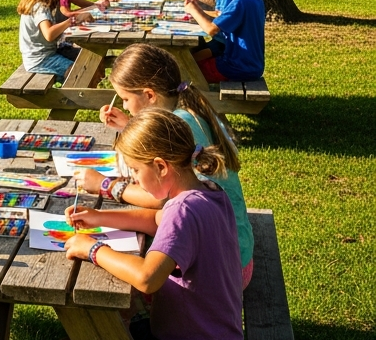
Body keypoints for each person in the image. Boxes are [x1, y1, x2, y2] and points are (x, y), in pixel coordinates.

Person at [48, 109, 243, 340]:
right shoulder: (206, 191)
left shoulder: (184, 209)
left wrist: (93, 249)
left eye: (136, 171)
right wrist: (99, 217)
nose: (135, 180)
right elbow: (154, 219)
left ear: (161, 166)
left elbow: (147, 278)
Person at [79, 43, 254, 284]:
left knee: (123, 276)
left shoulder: (176, 126)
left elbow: (157, 198)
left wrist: (106, 185)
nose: (125, 106)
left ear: (150, 95)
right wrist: (129, 126)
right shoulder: (185, 108)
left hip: (223, 270)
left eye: (126, 99)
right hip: (237, 249)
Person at [184, 0, 265, 84]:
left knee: (186, 69)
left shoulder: (239, 3)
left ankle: (202, 104)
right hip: (253, 66)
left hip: (237, 67)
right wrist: (198, 10)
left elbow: (212, 30)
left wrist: (193, 10)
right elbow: (219, 21)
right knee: (194, 62)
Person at [17, 0, 97, 81]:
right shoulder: (40, 6)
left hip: (47, 53)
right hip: (41, 60)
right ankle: (75, 99)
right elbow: (49, 34)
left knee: (90, 60)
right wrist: (72, 21)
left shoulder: (42, 2)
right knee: (80, 74)